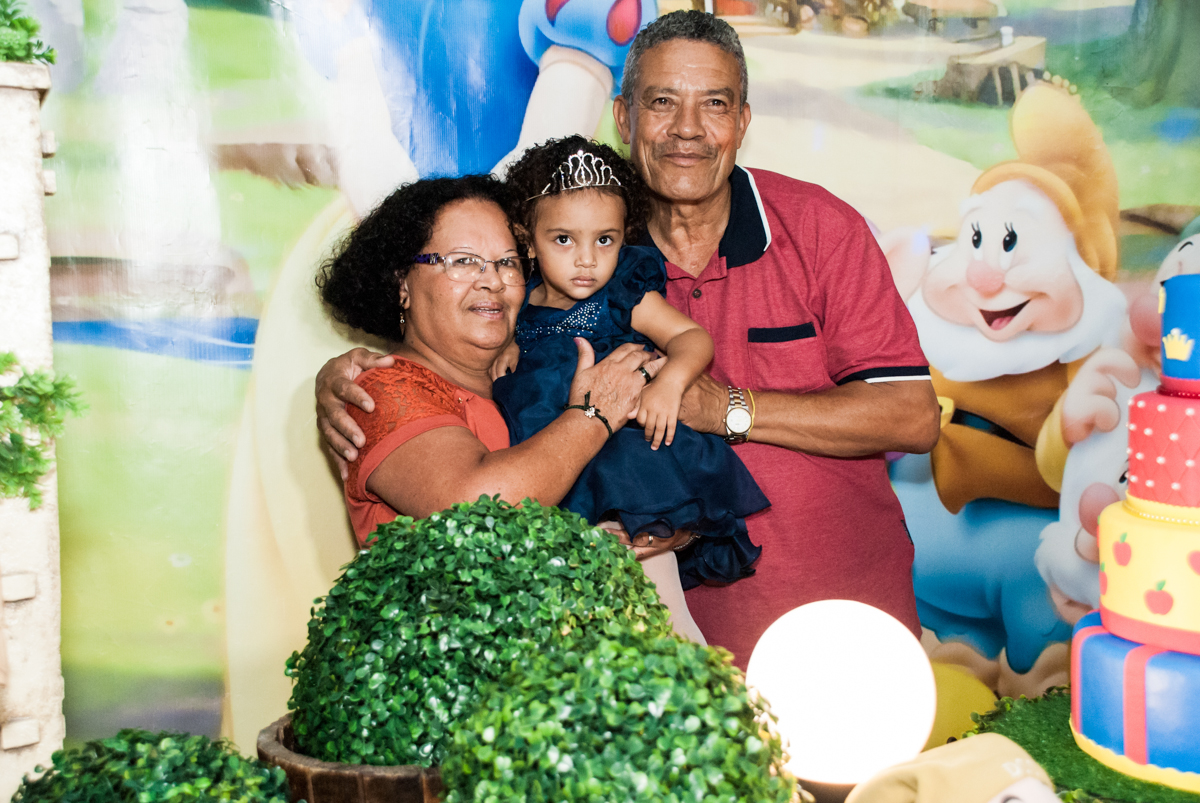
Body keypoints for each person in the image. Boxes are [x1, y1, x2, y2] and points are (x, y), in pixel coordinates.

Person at [317, 11, 942, 669]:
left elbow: (911, 415)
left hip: (846, 627)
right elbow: (450, 296)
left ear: (743, 122)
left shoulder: (820, 229)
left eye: (715, 105)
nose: (688, 129)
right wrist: (348, 371)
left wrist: (727, 408)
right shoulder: (579, 241)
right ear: (623, 116)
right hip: (642, 659)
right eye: (662, 102)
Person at [314, 173, 661, 548]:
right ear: (402, 283)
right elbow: (478, 508)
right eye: (463, 261)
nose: (492, 281)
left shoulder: (538, 377)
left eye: (508, 263)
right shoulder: (379, 390)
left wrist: (663, 526)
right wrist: (595, 415)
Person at [493, 134, 768, 604]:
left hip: (633, 464)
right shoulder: (517, 306)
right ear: (528, 241)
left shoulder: (622, 295)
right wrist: (506, 346)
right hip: (554, 462)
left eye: (606, 240)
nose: (587, 259)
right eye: (563, 239)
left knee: (654, 601)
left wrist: (671, 384)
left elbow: (691, 338)